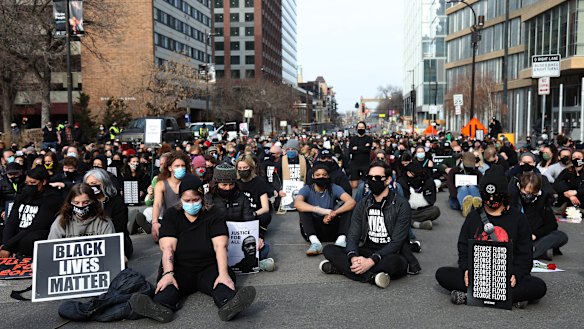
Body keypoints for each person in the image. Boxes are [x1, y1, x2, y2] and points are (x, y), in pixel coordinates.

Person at [128, 175, 256, 322]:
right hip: (180, 266)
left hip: (209, 265)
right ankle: (160, 308)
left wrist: (223, 273)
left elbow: (220, 245)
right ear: (180, 199)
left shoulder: (214, 214)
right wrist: (168, 273)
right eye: (187, 200)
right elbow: (168, 247)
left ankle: (229, 305)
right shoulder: (171, 215)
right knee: (168, 286)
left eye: (195, 200)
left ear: (202, 198)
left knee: (222, 284)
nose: (192, 204)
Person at [435, 165, 547, 308]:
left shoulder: (518, 218)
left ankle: (471, 295)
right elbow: (463, 248)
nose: (492, 199)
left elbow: (525, 253)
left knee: (538, 286)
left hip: (506, 276)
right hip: (478, 274)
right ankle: (508, 298)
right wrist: (467, 270)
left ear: (504, 195)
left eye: (497, 196)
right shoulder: (474, 216)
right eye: (488, 196)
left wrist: (517, 275)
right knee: (443, 274)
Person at [319, 161, 413, 288]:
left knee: (395, 264)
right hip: (366, 248)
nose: (373, 181)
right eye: (370, 178)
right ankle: (370, 277)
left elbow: (397, 242)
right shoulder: (363, 204)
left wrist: (371, 261)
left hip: (391, 253)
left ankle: (342, 269)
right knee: (329, 249)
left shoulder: (401, 205)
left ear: (388, 180)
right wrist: (353, 256)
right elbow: (353, 234)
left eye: (378, 178)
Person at [204, 162, 275, 271]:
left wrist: (258, 237)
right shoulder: (209, 199)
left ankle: (245, 264)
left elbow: (249, 220)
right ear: (216, 183)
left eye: (231, 184)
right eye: (224, 185)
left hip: (238, 240)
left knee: (264, 247)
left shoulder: (241, 197)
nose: (228, 188)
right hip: (217, 240)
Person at [294, 163, 356, 255]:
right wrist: (321, 210)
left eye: (324, 175)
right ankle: (315, 243)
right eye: (318, 175)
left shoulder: (334, 187)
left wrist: (333, 213)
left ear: (328, 176)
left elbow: (351, 202)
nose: (321, 177)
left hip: (332, 227)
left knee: (347, 209)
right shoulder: (307, 189)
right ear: (313, 177)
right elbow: (297, 203)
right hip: (315, 229)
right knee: (303, 209)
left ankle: (341, 241)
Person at [0, 167, 63, 257]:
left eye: (33, 183)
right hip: (16, 235)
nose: (29, 185)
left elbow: (36, 226)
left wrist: (9, 246)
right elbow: (12, 221)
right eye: (27, 183)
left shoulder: (53, 198)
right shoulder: (23, 194)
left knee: (32, 238)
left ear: (43, 182)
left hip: (32, 236)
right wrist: (6, 244)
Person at [511, 172, 568, 260]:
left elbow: (552, 225)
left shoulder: (543, 200)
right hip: (517, 237)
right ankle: (534, 252)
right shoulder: (514, 199)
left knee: (560, 236)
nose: (529, 196)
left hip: (535, 237)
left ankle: (533, 251)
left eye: (533, 193)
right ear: (520, 188)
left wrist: (536, 234)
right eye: (526, 192)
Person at [84, 169, 133, 258]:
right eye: (88, 185)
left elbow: (120, 228)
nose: (91, 187)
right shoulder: (84, 202)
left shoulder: (117, 202)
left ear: (104, 183)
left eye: (94, 183)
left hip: (114, 241)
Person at [48, 183, 115, 239]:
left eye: (85, 202)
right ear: (70, 203)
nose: (80, 206)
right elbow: (52, 248)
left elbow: (111, 249)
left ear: (93, 201)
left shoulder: (103, 222)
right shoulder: (61, 222)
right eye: (76, 203)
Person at [151, 151, 192, 241]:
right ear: (170, 168)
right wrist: (154, 222)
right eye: (177, 166)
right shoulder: (161, 184)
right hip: (169, 221)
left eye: (183, 166)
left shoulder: (191, 182)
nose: (180, 168)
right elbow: (157, 204)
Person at [236, 155, 273, 237]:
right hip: (238, 213)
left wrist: (253, 214)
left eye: (245, 167)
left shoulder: (259, 182)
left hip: (255, 213)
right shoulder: (235, 182)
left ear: (251, 167)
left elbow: (265, 208)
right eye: (240, 168)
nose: (242, 170)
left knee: (265, 217)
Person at [397, 161, 440, 230]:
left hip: (422, 210)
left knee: (435, 211)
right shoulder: (401, 182)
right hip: (407, 209)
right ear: (408, 173)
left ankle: (411, 220)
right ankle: (417, 224)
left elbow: (431, 199)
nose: (418, 177)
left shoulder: (428, 181)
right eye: (415, 174)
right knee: (398, 214)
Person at [446, 152, 482, 216]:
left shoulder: (477, 173)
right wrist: (458, 195)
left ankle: (477, 205)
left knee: (472, 187)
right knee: (463, 188)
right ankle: (465, 206)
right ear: (462, 161)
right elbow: (450, 185)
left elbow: (481, 185)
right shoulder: (454, 171)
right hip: (457, 197)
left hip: (473, 194)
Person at [349, 121, 373, 190]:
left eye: (362, 127)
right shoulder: (353, 139)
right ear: (356, 128)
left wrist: (357, 148)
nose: (361, 129)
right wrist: (363, 147)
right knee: (354, 185)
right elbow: (350, 150)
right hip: (354, 164)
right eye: (359, 127)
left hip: (366, 164)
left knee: (366, 184)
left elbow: (367, 150)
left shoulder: (369, 139)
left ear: (365, 128)